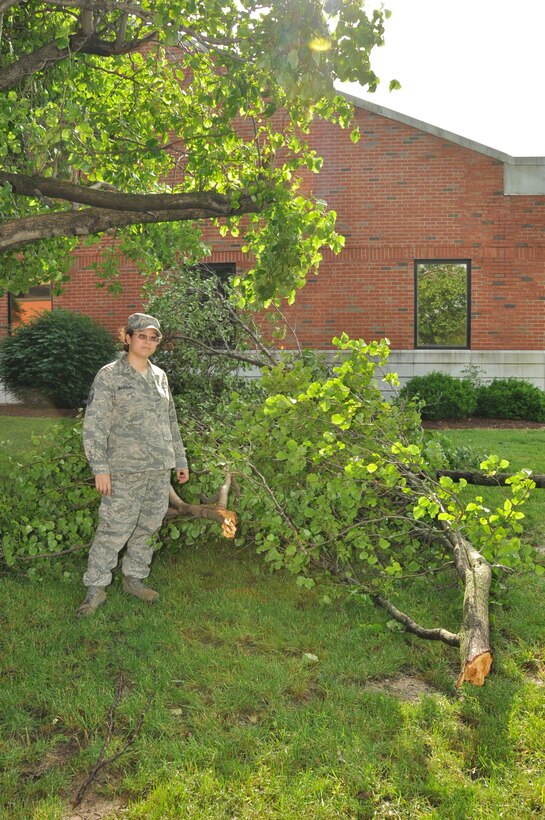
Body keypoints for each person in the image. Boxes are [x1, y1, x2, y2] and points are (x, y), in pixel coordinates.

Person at [77, 313, 189, 617]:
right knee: (114, 529)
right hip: (123, 469)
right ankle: (96, 587)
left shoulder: (160, 376)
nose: (148, 342)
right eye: (142, 336)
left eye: (154, 337)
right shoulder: (110, 375)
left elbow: (171, 421)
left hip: (158, 468)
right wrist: (100, 466)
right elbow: (95, 424)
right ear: (127, 338)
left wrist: (179, 459)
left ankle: (134, 579)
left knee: (148, 527)